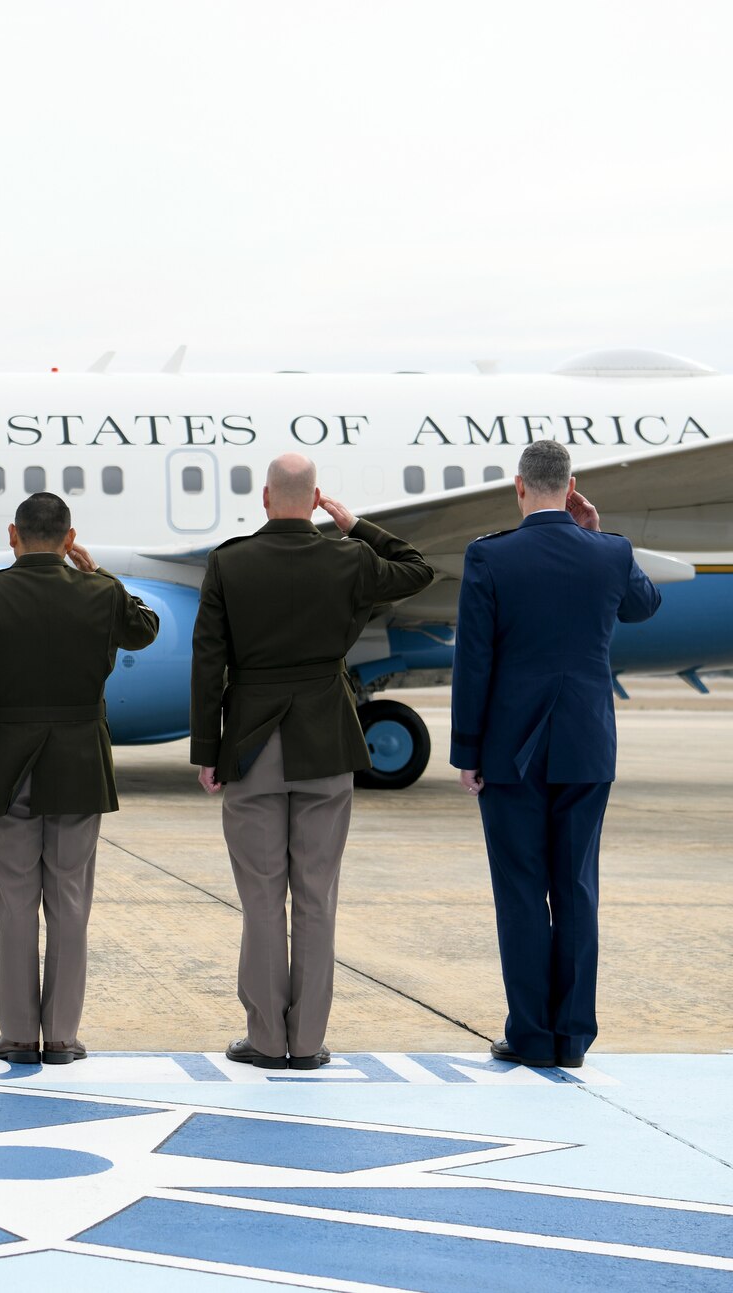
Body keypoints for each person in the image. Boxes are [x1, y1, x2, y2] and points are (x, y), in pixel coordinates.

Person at [191, 453, 433, 1070]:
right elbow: (417, 568)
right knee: (318, 897)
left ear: (266, 499)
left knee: (263, 898)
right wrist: (354, 525)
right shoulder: (348, 557)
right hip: (326, 741)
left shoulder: (229, 560)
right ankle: (309, 1042)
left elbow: (207, 662)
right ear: (316, 497)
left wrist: (206, 751)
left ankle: (267, 1039)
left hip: (250, 744)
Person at [451, 440, 661, 1070]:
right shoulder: (612, 552)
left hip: (511, 752)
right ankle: (572, 1039)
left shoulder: (490, 556)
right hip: (586, 746)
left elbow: (475, 661)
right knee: (575, 890)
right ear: (573, 488)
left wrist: (467, 749)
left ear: (520, 487)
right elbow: (644, 606)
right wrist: (597, 534)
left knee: (520, 893)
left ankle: (531, 1035)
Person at [0, 493, 160, 1065]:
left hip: (6, 768)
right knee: (69, 902)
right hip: (78, 765)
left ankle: (18, 1035)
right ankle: (62, 1036)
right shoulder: (101, 593)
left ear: (12, 534)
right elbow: (145, 630)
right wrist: (101, 574)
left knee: (15, 905)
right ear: (70, 539)